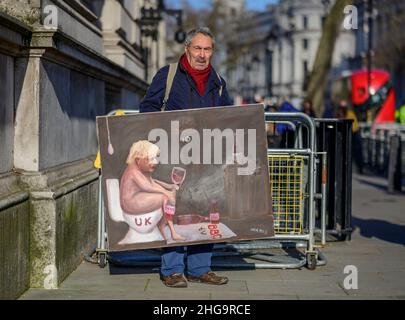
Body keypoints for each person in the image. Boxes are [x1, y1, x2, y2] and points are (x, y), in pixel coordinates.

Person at [139, 27, 231, 288]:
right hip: (173, 158)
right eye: (198, 48)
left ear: (212, 52)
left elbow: (230, 117)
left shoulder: (219, 82)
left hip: (206, 160)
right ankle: (172, 270)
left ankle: (200, 268)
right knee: (175, 211)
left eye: (208, 49)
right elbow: (147, 108)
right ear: (187, 49)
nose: (202, 55)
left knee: (205, 211)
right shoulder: (168, 76)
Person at [120, 140, 185, 242]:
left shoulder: (141, 169)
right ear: (138, 160)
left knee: (167, 196)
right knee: (165, 198)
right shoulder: (133, 170)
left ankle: (163, 227)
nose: (155, 162)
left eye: (155, 158)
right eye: (150, 159)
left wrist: (169, 186)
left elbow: (152, 182)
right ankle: (171, 232)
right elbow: (147, 186)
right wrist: (167, 193)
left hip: (138, 197)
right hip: (130, 203)